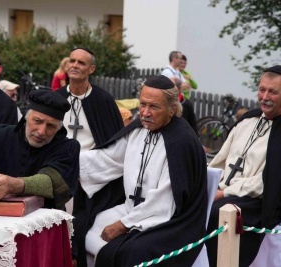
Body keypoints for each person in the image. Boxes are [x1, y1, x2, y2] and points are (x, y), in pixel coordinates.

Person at [73, 75, 208, 267]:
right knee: (83, 229)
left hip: (167, 221)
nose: (145, 112)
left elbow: (165, 201)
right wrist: (68, 162)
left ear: (172, 109)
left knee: (130, 252)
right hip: (131, 208)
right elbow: (109, 159)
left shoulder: (181, 142)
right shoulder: (139, 130)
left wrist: (123, 225)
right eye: (142, 104)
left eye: (154, 107)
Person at [205, 65, 281, 266]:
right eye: (262, 89)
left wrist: (224, 192)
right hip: (224, 190)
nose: (264, 96)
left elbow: (266, 182)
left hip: (258, 200)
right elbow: (220, 160)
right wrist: (210, 184)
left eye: (273, 92)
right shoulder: (247, 120)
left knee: (216, 213)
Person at [0, 90, 80, 210]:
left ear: (58, 129)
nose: (41, 131)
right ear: (26, 118)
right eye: (37, 121)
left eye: (51, 126)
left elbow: (52, 182)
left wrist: (13, 185)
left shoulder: (68, 147)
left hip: (42, 222)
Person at [56, 47, 123, 151]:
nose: (74, 65)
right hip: (58, 160)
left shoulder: (103, 100)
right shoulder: (56, 98)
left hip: (92, 162)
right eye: (72, 61)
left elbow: (115, 143)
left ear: (91, 69)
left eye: (81, 63)